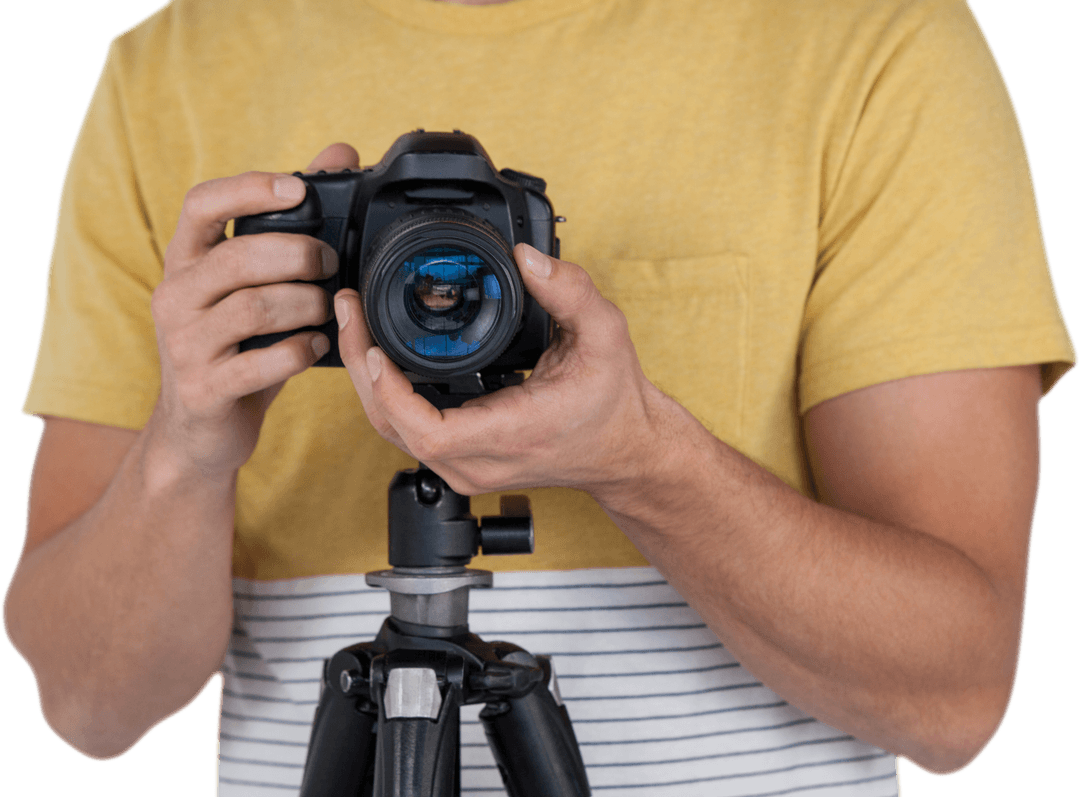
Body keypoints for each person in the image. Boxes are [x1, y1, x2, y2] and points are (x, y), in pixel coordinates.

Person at [3, 0, 1076, 795]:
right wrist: (186, 451)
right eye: (403, 264)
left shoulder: (876, 40)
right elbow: (89, 707)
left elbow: (956, 697)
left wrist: (643, 457)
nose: (437, 292)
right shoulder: (167, 71)